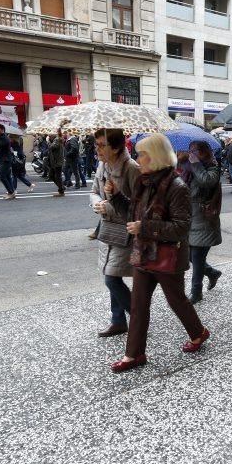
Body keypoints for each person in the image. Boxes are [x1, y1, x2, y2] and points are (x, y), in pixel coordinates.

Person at [109, 134, 209, 373]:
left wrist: (144, 227)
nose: (137, 158)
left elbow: (181, 228)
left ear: (154, 157)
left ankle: (198, 332)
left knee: (177, 301)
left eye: (142, 154)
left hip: (167, 256)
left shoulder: (177, 187)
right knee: (138, 305)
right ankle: (134, 354)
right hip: (143, 253)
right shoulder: (143, 182)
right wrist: (115, 196)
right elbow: (132, 215)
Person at [92, 128, 140, 338]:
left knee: (111, 278)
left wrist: (110, 206)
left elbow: (139, 207)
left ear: (117, 146)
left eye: (102, 145)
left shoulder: (132, 169)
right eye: (96, 145)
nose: (98, 149)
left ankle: (139, 317)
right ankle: (118, 320)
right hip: (106, 229)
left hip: (125, 231)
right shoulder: (102, 165)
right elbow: (94, 191)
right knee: (112, 274)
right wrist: (97, 203)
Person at [182, 141, 222, 304]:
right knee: (191, 255)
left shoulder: (213, 167)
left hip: (205, 220)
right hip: (190, 218)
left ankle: (196, 292)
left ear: (204, 152)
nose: (192, 153)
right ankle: (212, 273)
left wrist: (196, 164)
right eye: (190, 150)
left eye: (195, 150)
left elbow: (206, 181)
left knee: (197, 257)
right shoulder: (188, 168)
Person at [0, 124, 15, 200]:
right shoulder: (0, 137)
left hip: (6, 160)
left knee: (2, 176)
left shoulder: (5, 138)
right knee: (7, 176)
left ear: (2, 130)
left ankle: (11, 192)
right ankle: (12, 191)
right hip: (2, 159)